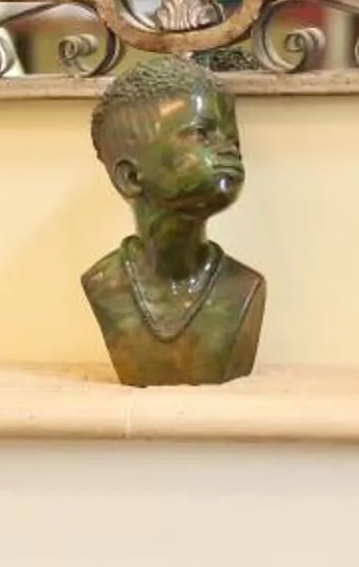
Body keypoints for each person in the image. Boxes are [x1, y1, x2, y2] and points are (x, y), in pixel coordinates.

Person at [81, 52, 265, 386]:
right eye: (201, 134)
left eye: (232, 138)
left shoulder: (244, 287)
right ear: (130, 178)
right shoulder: (104, 285)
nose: (230, 149)